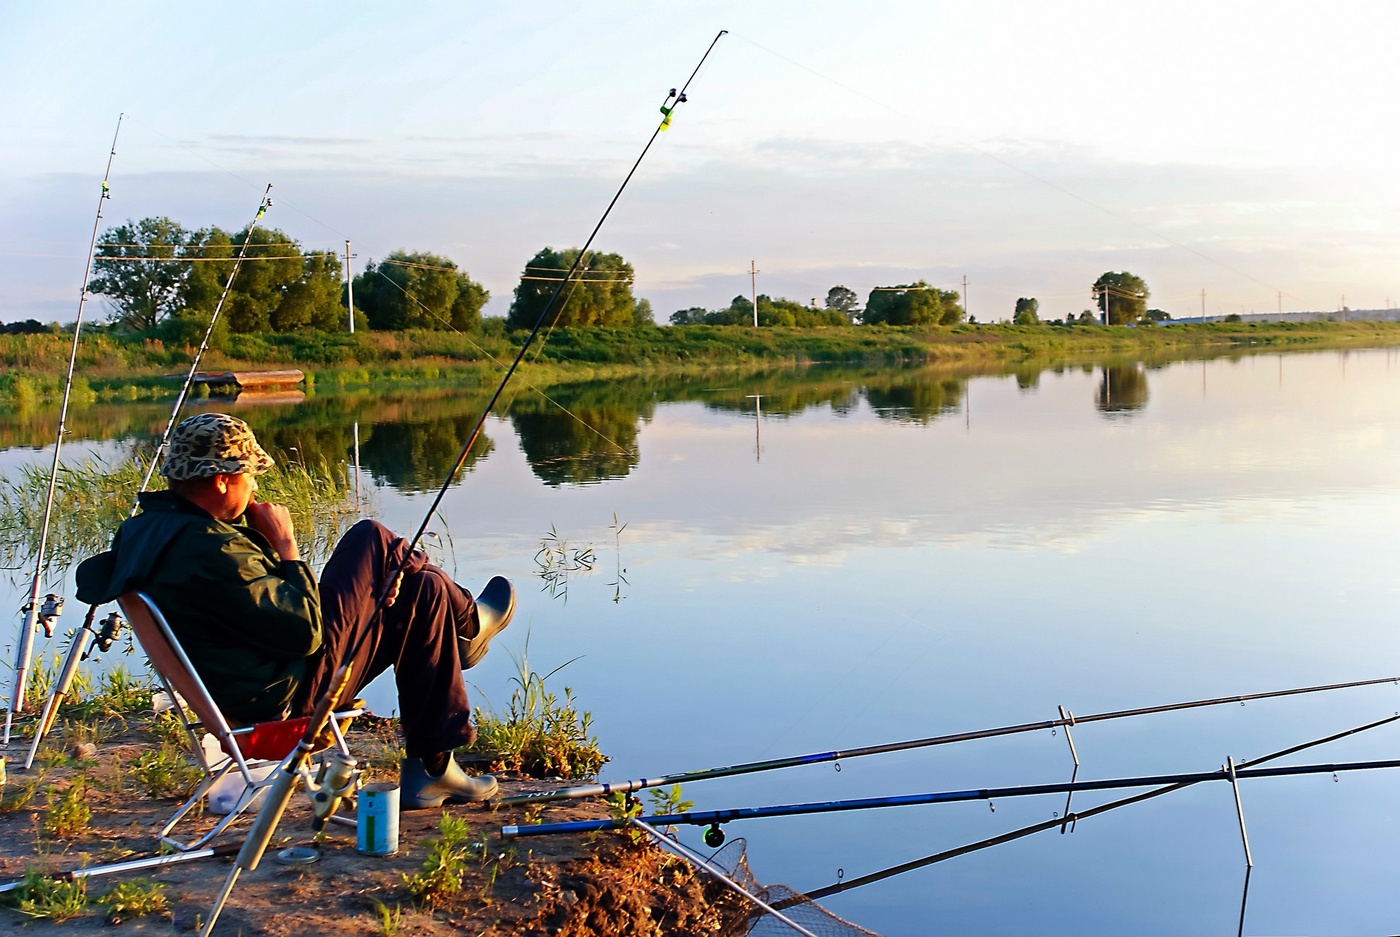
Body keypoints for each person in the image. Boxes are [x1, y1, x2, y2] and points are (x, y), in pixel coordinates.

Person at [76, 412, 512, 808]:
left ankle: (432, 770)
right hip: (289, 702)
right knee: (371, 537)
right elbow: (307, 631)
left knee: (423, 589)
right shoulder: (215, 549)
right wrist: (286, 546)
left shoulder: (148, 531)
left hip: (262, 686)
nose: (256, 488)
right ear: (222, 480)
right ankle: (469, 624)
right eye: (250, 475)